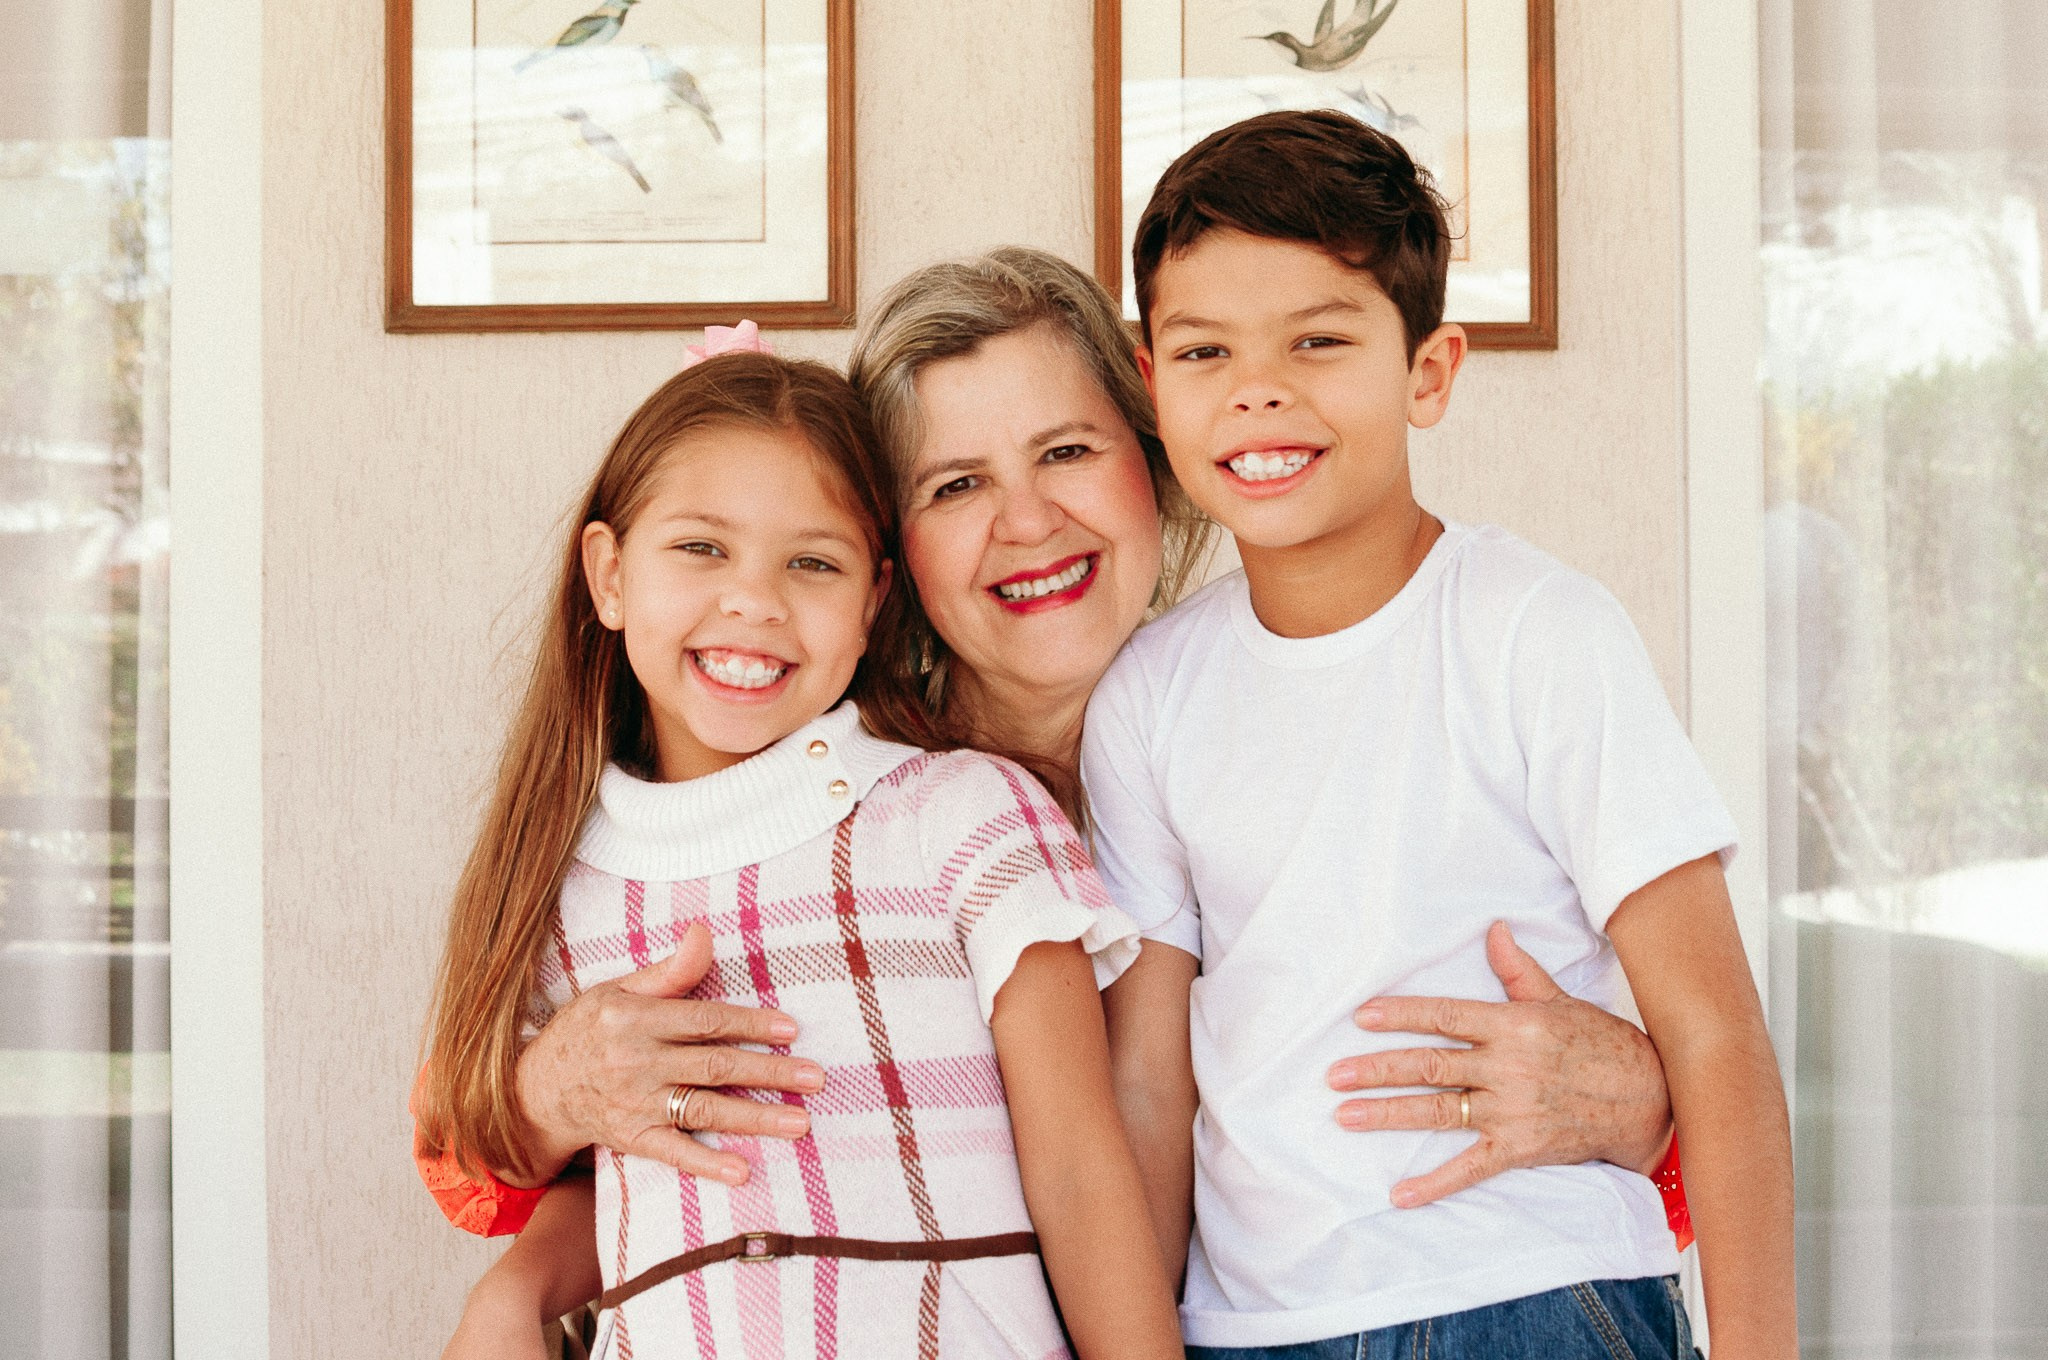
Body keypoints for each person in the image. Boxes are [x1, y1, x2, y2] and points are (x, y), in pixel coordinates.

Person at [412, 253, 1690, 1295]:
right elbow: (523, 1161)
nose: (1025, 521)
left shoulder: (1334, 716)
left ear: (1158, 460)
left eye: (1068, 452)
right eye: (956, 481)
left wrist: (1644, 1105)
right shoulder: (818, 795)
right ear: (883, 552)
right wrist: (531, 1216)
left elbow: (1682, 1095)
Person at [1085, 109, 1794, 1358]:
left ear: (1428, 371)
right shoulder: (1148, 693)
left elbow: (1716, 1032)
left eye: (1318, 339)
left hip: (1530, 1293)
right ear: (1152, 384)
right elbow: (1150, 1085)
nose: (1258, 388)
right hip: (1250, 1326)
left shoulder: (1537, 631)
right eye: (1205, 352)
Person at [415, 344, 1183, 1359]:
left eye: (811, 562)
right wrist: (508, 1297)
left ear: (872, 600)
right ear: (607, 572)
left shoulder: (963, 813)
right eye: (700, 548)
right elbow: (567, 1180)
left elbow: (1082, 1171)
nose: (756, 601)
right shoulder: (560, 891)